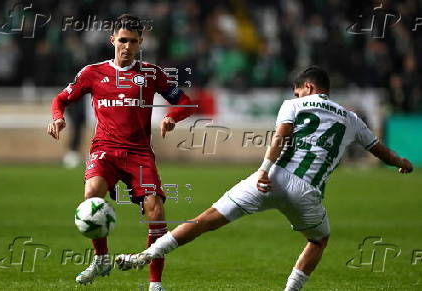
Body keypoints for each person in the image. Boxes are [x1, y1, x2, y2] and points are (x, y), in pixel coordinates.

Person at [115, 67, 413, 290]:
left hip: (270, 178)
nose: (297, 95)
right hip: (307, 192)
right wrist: (400, 163)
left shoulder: (294, 105)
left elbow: (280, 137)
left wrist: (263, 170)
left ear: (307, 87)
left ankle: (146, 255)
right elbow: (380, 151)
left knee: (204, 220)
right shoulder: (352, 118)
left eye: (298, 91)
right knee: (319, 240)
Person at [47, 14, 195, 290]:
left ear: (141, 43)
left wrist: (172, 117)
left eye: (133, 41)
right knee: (91, 193)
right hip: (104, 150)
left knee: (156, 211)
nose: (127, 46)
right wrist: (58, 116)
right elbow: (61, 98)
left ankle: (155, 283)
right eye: (123, 40)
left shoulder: (151, 74)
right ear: (112, 39)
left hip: (139, 154)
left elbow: (185, 102)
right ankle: (101, 258)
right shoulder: (92, 73)